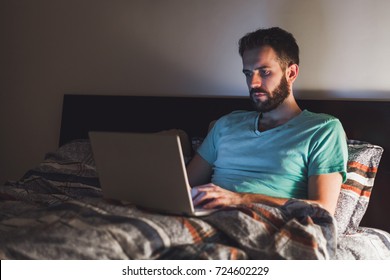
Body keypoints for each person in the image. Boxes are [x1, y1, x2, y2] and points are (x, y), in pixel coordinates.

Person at [186, 27, 347, 215]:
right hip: (205, 217)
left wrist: (241, 199)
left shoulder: (322, 129)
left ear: (291, 73)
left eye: (264, 72)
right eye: (248, 73)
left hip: (265, 222)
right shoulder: (226, 124)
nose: (253, 83)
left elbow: (323, 207)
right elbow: (182, 186)